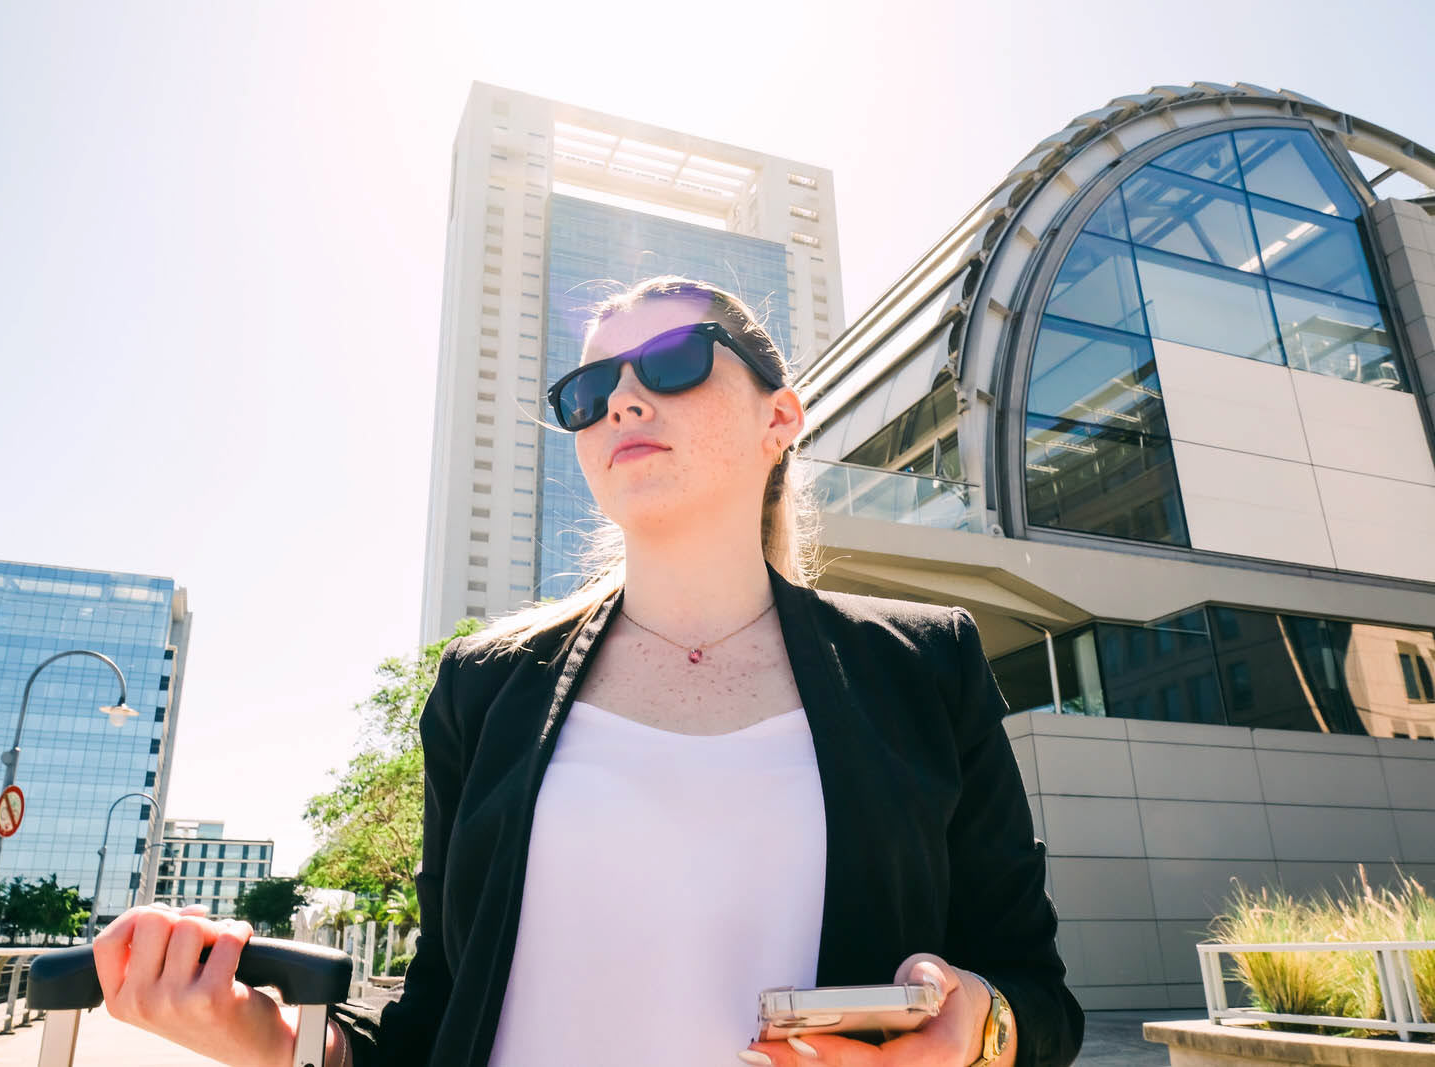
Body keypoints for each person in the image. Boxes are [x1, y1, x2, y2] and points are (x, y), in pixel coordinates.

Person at [94, 276, 1085, 1067]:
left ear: (779, 416)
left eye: (673, 359)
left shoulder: (923, 664)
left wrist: (978, 1028)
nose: (618, 398)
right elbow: (441, 1009)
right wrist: (270, 1044)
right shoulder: (484, 687)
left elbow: (1037, 994)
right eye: (585, 391)